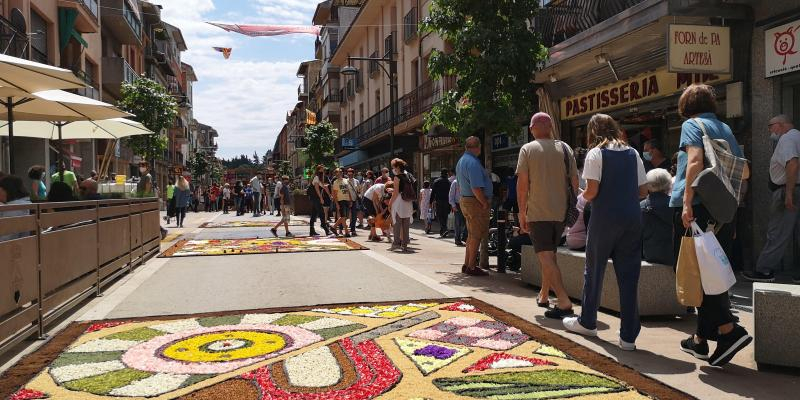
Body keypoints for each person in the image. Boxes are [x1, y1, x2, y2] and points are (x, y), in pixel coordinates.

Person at [672, 84, 751, 367]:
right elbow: (743, 169)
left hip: (698, 206)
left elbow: (694, 161)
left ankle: (730, 330)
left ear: (687, 104)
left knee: (698, 271)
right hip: (722, 208)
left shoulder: (692, 124)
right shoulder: (724, 127)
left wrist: (686, 202)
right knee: (711, 268)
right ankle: (699, 340)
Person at [561, 114, 648, 351]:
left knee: (595, 269)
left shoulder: (595, 153)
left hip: (605, 218)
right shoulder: (633, 153)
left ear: (593, 132)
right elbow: (643, 191)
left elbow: (592, 191)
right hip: (631, 218)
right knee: (629, 276)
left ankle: (588, 321)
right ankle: (628, 336)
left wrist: (579, 201)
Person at [517, 112, 577, 316]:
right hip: (560, 212)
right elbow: (575, 181)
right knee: (550, 255)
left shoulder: (528, 149)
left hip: (538, 211)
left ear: (533, 128)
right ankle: (544, 294)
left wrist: (521, 212)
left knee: (545, 257)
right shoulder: (565, 148)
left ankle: (563, 299)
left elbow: (522, 185)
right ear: (550, 127)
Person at [744, 114, 800, 283]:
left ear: (781, 125)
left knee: (777, 233)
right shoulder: (798, 136)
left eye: (770, 126)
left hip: (788, 189)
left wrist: (788, 193)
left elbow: (793, 163)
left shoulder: (787, 139)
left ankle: (764, 270)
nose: (769, 130)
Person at [456, 137, 492, 276]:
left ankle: (467, 264)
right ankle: (471, 266)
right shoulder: (473, 163)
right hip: (475, 202)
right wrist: (484, 202)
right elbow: (476, 187)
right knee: (476, 235)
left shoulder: (462, 161)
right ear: (478, 147)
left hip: (466, 200)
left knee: (471, 234)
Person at [641, 168, 675, 265]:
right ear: (668, 184)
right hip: (673, 252)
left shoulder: (641, 206)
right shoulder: (675, 205)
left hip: (650, 253)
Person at [388, 159, 414, 251]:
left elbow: (395, 193)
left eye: (393, 167)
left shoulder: (397, 177)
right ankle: (405, 244)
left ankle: (396, 243)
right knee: (406, 225)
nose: (393, 169)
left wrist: (390, 203)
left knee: (397, 224)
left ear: (398, 167)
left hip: (399, 202)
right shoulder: (409, 176)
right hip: (408, 201)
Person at [0, 175, 32, 241]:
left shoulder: (13, 209)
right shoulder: (25, 204)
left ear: (6, 190)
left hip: (11, 248)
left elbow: (7, 238)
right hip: (24, 245)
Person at [308, 166, 331, 236]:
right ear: (318, 170)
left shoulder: (320, 178)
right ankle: (325, 228)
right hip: (315, 198)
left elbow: (325, 187)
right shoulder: (316, 177)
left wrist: (330, 195)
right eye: (322, 169)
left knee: (314, 214)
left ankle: (311, 231)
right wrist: (321, 198)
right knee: (321, 213)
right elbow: (317, 188)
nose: (323, 171)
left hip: (315, 198)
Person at [431, 169, 453, 237]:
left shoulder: (436, 181)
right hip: (447, 201)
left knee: (439, 215)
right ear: (446, 174)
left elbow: (433, 192)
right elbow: (451, 193)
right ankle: (443, 230)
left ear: (441, 173)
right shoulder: (449, 182)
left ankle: (444, 229)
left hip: (439, 201)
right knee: (445, 216)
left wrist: (430, 201)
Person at [332, 168, 353, 237]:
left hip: (347, 200)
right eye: (337, 172)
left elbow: (348, 191)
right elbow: (334, 194)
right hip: (340, 200)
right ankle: (345, 231)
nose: (339, 173)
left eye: (340, 172)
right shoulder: (335, 182)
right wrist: (337, 204)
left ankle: (334, 227)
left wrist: (350, 200)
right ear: (335, 174)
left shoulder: (346, 180)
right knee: (343, 216)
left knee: (344, 217)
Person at [449, 174, 466, 246]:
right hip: (458, 205)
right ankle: (457, 239)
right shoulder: (455, 182)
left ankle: (465, 237)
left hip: (466, 204)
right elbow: (451, 195)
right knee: (458, 223)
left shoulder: (467, 181)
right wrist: (453, 205)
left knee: (466, 222)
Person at [346, 168, 361, 236]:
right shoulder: (345, 181)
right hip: (347, 200)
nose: (350, 175)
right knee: (345, 216)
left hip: (354, 200)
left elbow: (359, 190)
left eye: (351, 174)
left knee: (354, 216)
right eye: (348, 174)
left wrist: (359, 194)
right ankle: (341, 229)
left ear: (353, 174)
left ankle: (353, 229)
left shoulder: (356, 181)